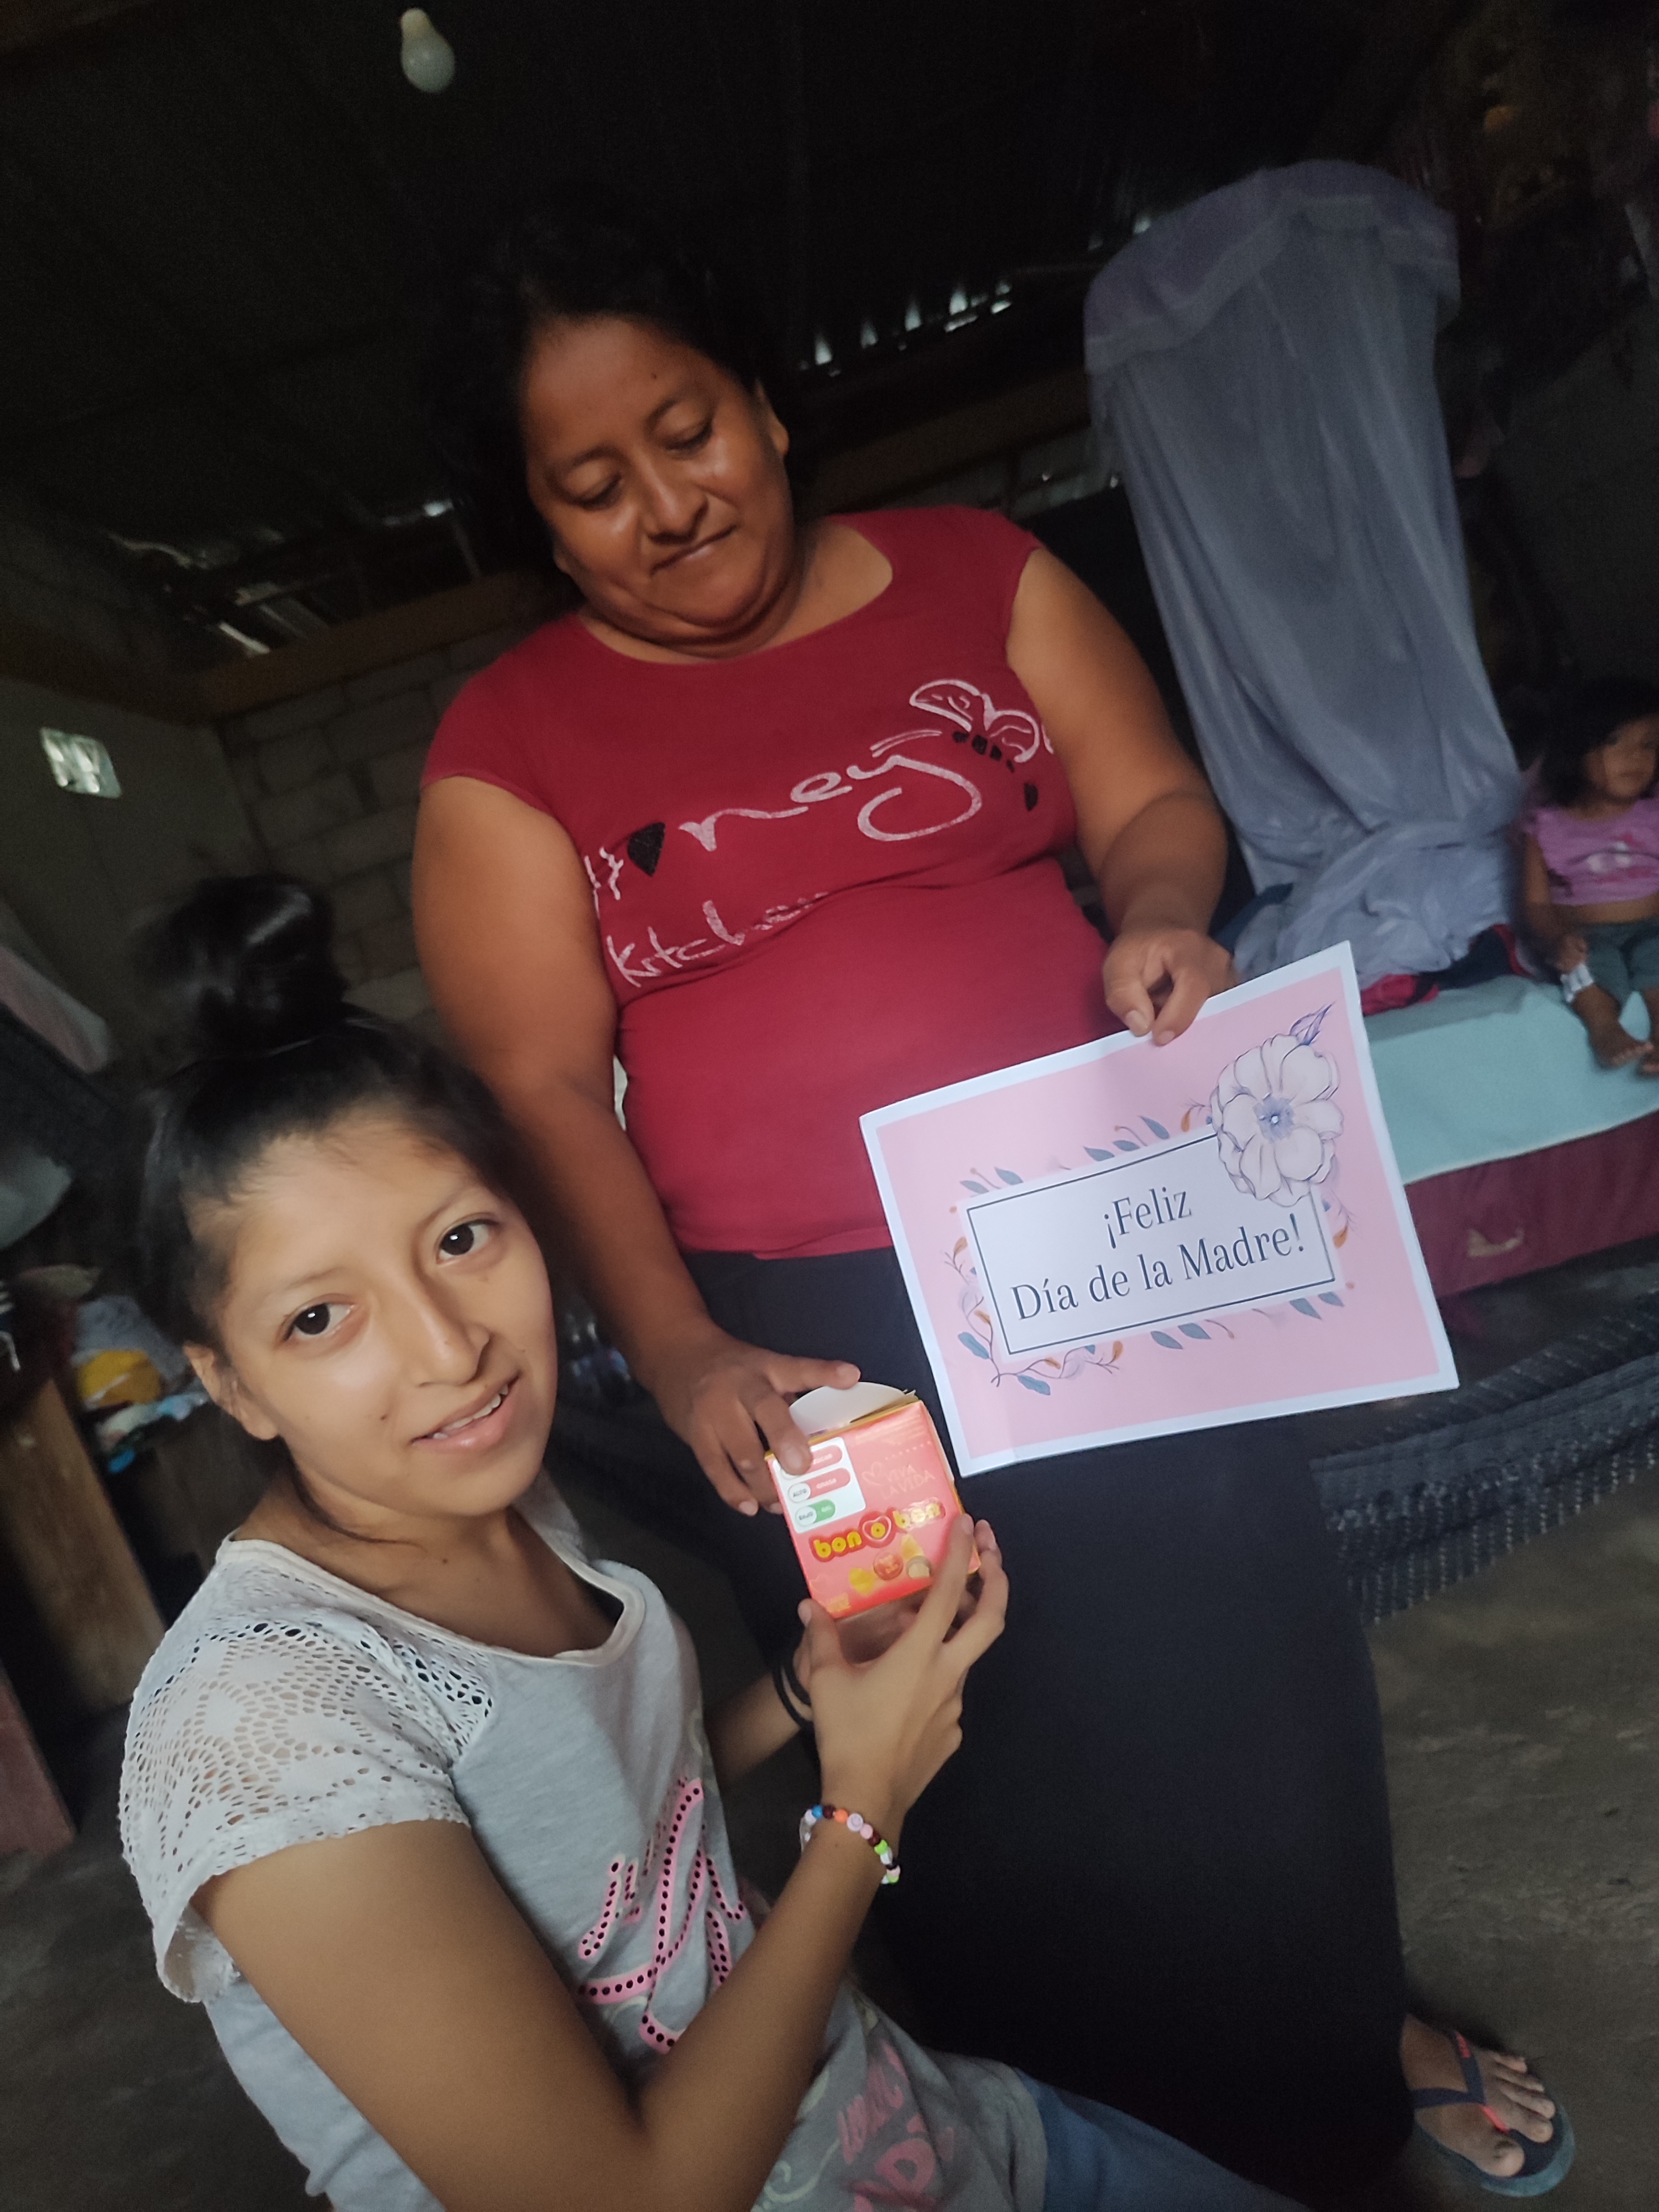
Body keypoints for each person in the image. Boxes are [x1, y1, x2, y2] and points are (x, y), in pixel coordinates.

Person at [411, 204, 1567, 2199]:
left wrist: (1163, 913)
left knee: (1238, 1665)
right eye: (591, 486)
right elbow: (538, 1088)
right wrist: (681, 1350)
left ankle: (1330, 2042)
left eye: (686, 432)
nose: (665, 506)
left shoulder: (975, 576)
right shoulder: (508, 740)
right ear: (539, 521)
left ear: (766, 406)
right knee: (968, 1728)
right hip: (809, 1335)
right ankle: (1072, 2125)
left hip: (1110, 1236)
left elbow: (1154, 805)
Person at [117, 875, 1305, 2212]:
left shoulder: (492, 1502)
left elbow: (606, 1806)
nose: (450, 1350)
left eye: (460, 1237)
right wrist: (862, 1808)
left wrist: (810, 1688)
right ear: (227, 1380)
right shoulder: (261, 1734)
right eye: (319, 1318)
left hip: (907, 2119)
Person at [1520, 677, 1659, 1072]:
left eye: (1649, 744)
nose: (1635, 757)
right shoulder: (1547, 826)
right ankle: (1605, 1030)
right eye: (1615, 742)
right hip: (1587, 935)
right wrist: (1558, 938)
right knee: (1582, 968)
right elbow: (1536, 903)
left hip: (1654, 928)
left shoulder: (1654, 813)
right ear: (1575, 750)